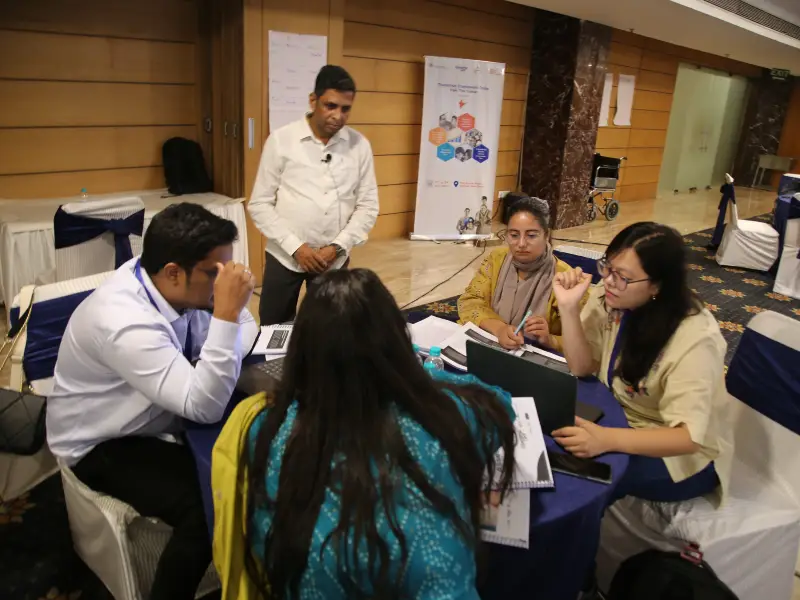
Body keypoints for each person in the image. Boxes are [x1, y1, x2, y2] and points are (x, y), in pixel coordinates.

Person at [241, 269, 517, 599]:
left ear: (302, 351)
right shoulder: (444, 416)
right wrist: (422, 379)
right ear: (397, 341)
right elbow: (501, 404)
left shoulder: (269, 427)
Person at [47, 203, 259, 600]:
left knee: (254, 449)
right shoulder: (124, 321)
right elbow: (204, 406)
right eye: (215, 273)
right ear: (174, 272)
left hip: (153, 414)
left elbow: (247, 327)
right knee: (207, 501)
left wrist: (224, 326)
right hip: (101, 440)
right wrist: (226, 317)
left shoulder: (163, 281)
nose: (225, 283)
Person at [551, 222, 728, 504]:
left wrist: (607, 439)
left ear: (657, 284)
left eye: (622, 276)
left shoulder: (695, 338)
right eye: (607, 267)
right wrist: (568, 308)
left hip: (678, 454)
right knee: (547, 432)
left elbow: (688, 438)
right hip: (618, 414)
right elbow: (581, 367)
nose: (609, 281)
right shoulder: (612, 294)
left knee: (577, 475)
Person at [249, 64, 379, 325]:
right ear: (313, 100)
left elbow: (368, 206)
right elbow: (259, 204)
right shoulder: (281, 140)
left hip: (333, 259)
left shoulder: (359, 146)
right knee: (274, 328)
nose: (338, 116)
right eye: (330, 106)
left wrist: (338, 246)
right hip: (285, 256)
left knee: (329, 328)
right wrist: (297, 248)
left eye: (345, 109)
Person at [458, 195, 582, 352]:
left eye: (531, 235)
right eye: (514, 235)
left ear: (546, 235)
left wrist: (549, 339)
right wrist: (499, 329)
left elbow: (588, 342)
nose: (521, 244)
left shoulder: (564, 278)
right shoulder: (497, 260)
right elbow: (470, 301)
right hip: (491, 343)